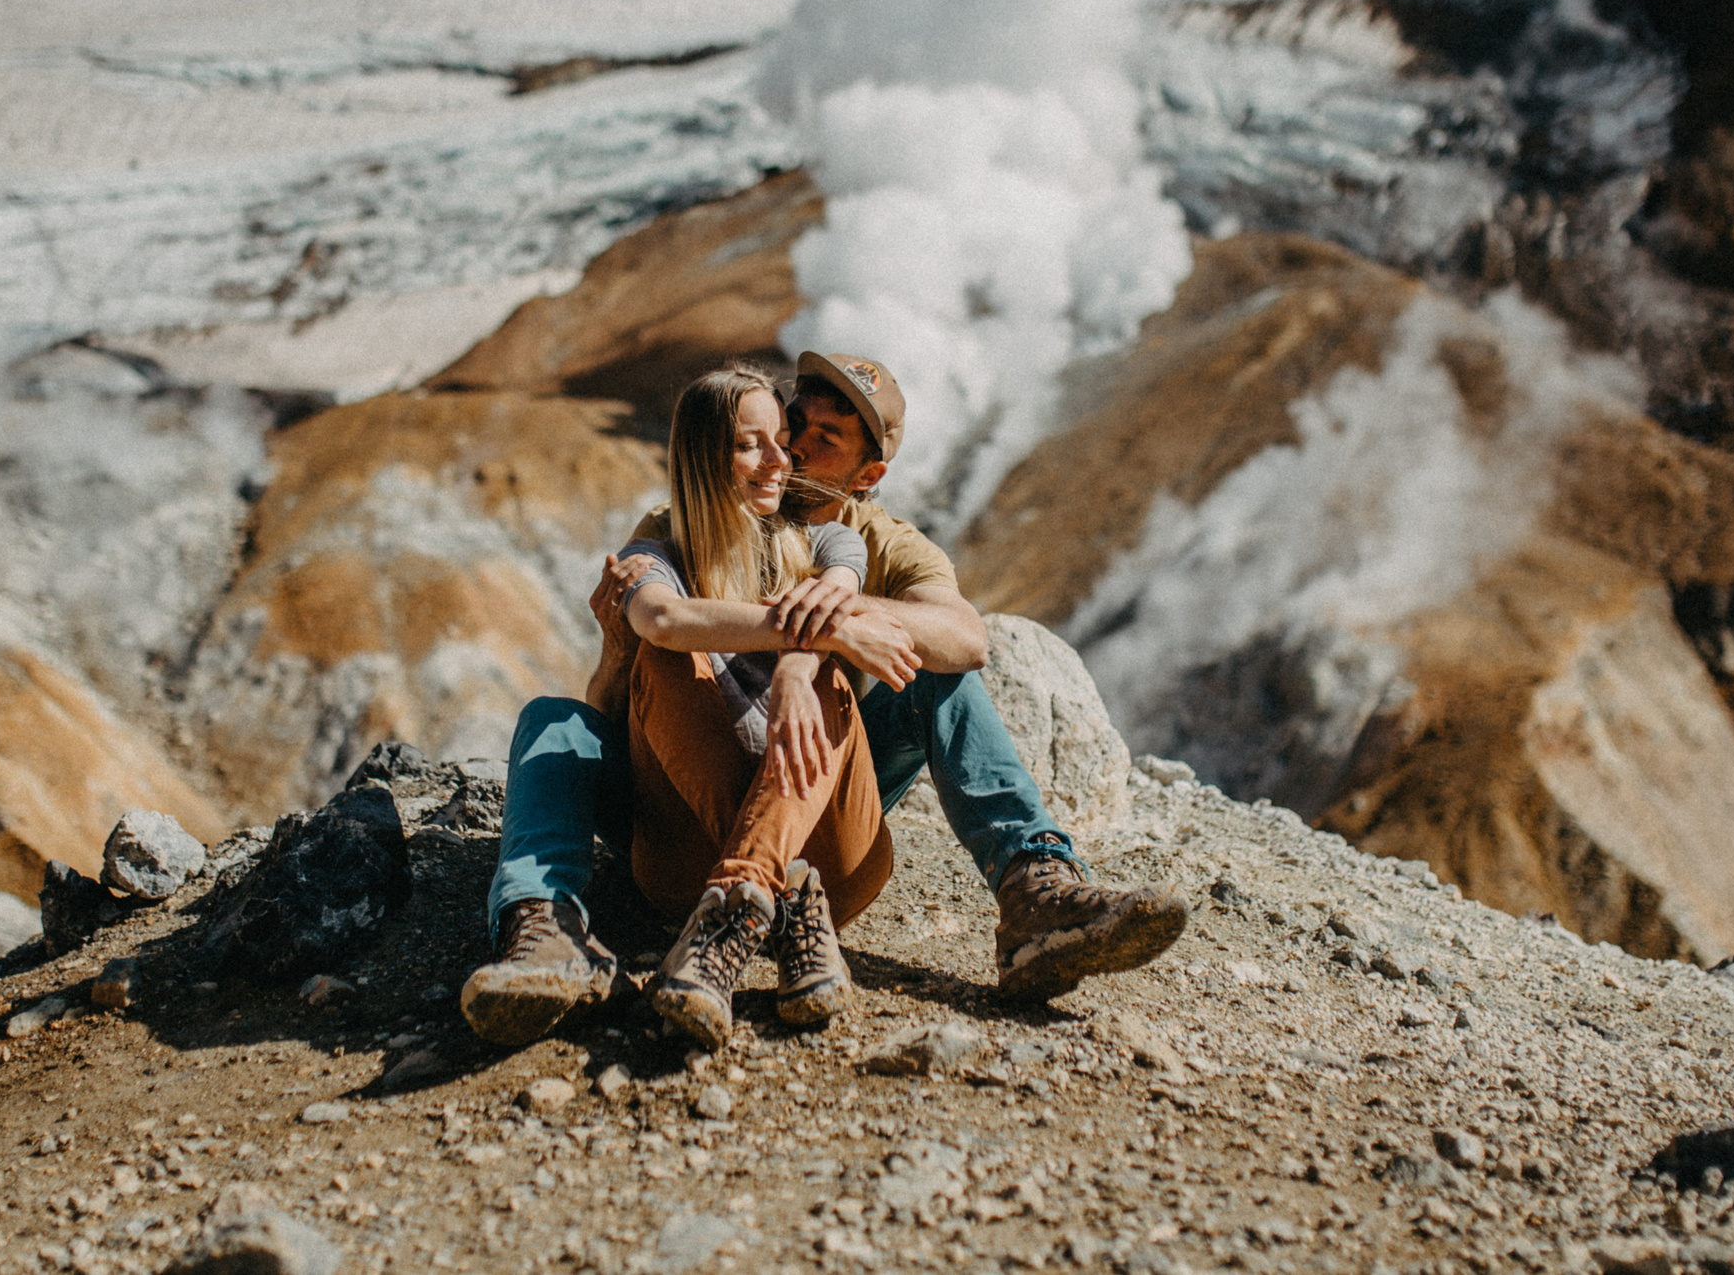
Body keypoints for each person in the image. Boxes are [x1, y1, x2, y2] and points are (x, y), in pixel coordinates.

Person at [462, 351, 1190, 1048]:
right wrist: (645, 650)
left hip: (816, 779)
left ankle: (1035, 888)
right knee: (557, 718)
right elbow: (631, 683)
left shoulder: (865, 541)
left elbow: (965, 639)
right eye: (792, 425)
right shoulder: (675, 527)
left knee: (926, 672)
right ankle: (548, 925)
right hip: (688, 791)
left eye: (824, 438)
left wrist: (827, 635)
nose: (794, 450)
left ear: (868, 475)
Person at [611, 365, 904, 1049]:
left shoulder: (829, 540)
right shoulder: (654, 556)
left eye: (781, 439)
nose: (782, 458)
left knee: (828, 680)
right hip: (685, 864)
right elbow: (663, 620)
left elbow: (836, 592)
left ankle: (738, 903)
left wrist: (804, 662)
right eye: (750, 445)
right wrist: (823, 633)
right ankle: (781, 893)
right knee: (662, 657)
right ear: (701, 458)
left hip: (834, 855)